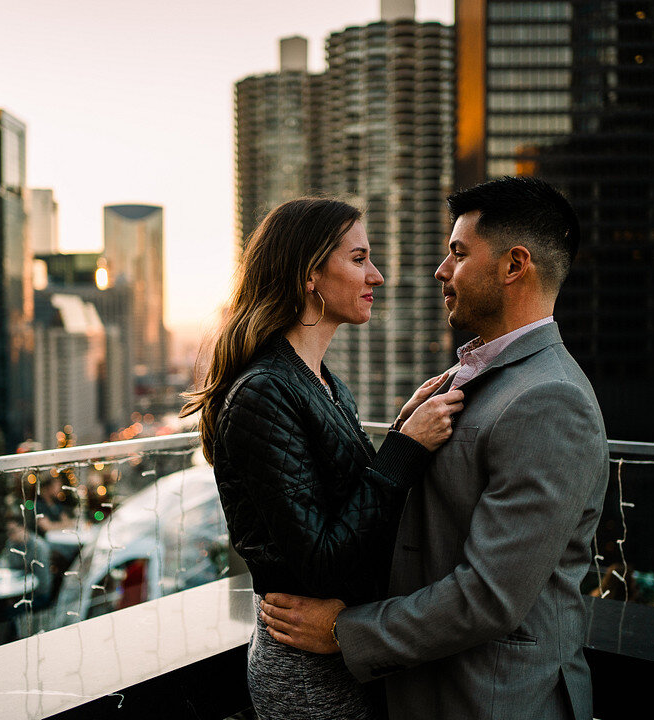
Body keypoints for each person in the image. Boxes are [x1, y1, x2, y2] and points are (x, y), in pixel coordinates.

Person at [259, 177, 610, 720]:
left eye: (458, 253)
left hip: (495, 702)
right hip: (432, 690)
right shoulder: (472, 378)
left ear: (515, 265)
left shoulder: (550, 399)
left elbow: (489, 597)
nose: (441, 271)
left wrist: (343, 631)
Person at [180, 197, 463, 720]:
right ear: (310, 273)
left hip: (347, 651)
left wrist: (404, 429)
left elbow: (349, 503)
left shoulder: (323, 384)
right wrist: (405, 448)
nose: (376, 275)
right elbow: (321, 560)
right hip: (308, 671)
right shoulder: (264, 392)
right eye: (358, 259)